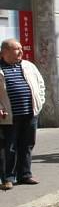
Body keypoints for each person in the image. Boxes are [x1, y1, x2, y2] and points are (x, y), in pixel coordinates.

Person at [0, 39, 45, 190]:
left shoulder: (28, 66)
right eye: (16, 49)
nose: (21, 51)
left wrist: (39, 102)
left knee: (27, 145)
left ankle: (25, 174)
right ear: (5, 52)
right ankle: (8, 178)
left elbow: (40, 84)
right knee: (9, 147)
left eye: (20, 48)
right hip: (8, 116)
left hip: (30, 113)